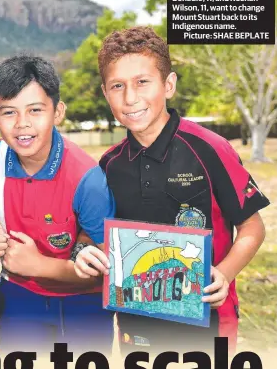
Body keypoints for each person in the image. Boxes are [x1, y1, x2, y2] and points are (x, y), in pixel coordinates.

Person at [77, 26, 269, 354]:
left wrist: (224, 274)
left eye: (142, 82)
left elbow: (252, 227)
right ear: (105, 94)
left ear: (168, 85)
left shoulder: (210, 149)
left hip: (208, 322)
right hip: (136, 322)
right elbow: (92, 236)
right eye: (117, 86)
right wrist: (83, 252)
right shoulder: (107, 166)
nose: (130, 98)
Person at [0, 55, 116, 354]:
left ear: (58, 112)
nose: (22, 124)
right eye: (9, 112)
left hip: (84, 302)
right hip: (22, 295)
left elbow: (104, 267)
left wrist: (39, 265)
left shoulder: (87, 179)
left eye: (35, 110)